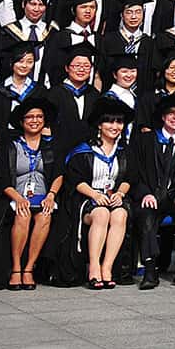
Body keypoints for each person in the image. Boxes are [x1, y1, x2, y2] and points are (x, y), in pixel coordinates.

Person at [133, 92, 175, 289]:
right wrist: (145, 192)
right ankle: (150, 270)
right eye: (171, 113)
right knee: (146, 214)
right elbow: (134, 172)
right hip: (151, 195)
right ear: (163, 117)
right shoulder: (145, 141)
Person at [65, 103, 134, 290]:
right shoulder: (84, 150)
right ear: (99, 125)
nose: (115, 126)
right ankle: (94, 267)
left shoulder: (124, 151)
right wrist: (95, 194)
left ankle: (107, 268)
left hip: (114, 197)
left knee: (120, 215)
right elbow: (75, 179)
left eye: (119, 122)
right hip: (87, 197)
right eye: (109, 121)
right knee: (102, 213)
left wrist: (120, 193)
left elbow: (129, 178)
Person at [1, 97, 63, 290]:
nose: (35, 120)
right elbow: (1, 178)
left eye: (39, 117)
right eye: (30, 117)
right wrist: (18, 198)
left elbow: (59, 174)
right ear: (21, 121)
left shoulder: (51, 146)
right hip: (15, 196)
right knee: (23, 214)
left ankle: (29, 268)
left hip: (44, 196)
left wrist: (51, 195)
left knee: (45, 216)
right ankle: (16, 268)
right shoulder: (11, 146)